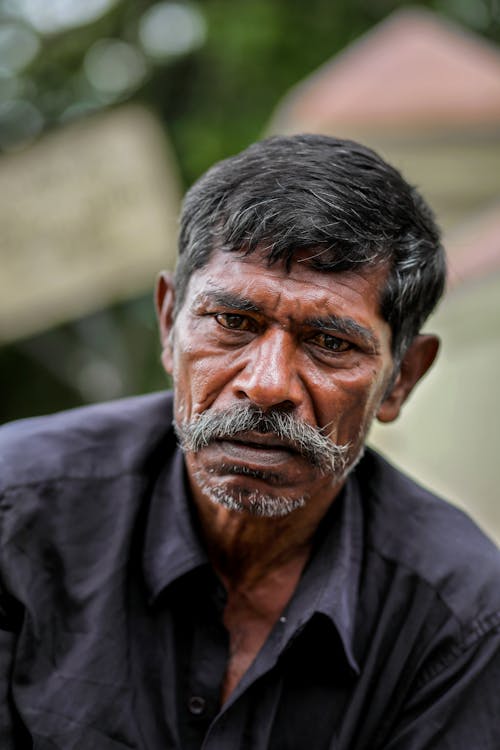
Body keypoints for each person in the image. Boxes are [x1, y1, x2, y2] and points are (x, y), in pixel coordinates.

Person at [0, 134, 499, 750]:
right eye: (233, 323)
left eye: (331, 343)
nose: (266, 387)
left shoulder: (463, 617)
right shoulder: (14, 510)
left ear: (401, 381)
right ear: (168, 323)